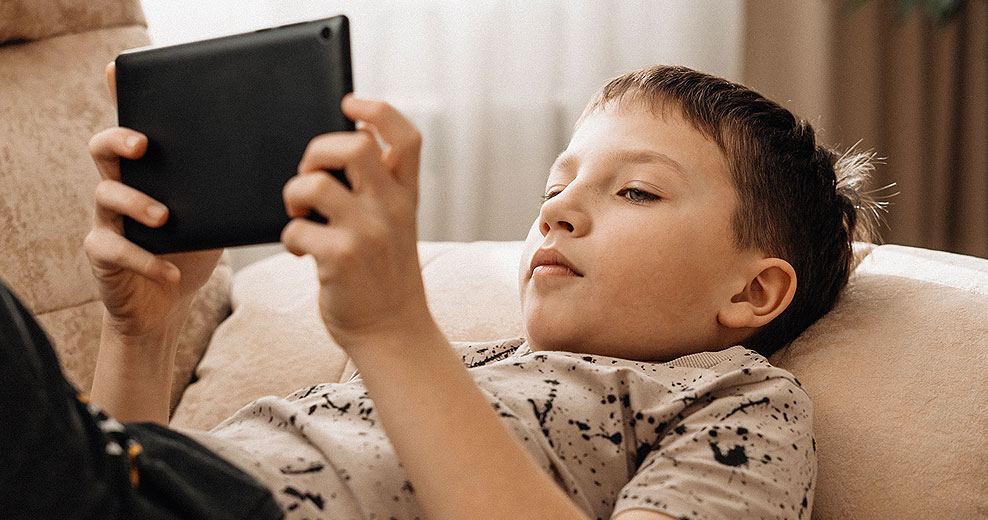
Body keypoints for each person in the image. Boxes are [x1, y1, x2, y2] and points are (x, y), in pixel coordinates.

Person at [3, 64, 880, 520]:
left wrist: (392, 332)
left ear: (754, 292)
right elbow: (128, 479)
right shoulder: (463, 365)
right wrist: (142, 332)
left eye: (636, 191)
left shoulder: (735, 399)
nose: (560, 210)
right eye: (553, 189)